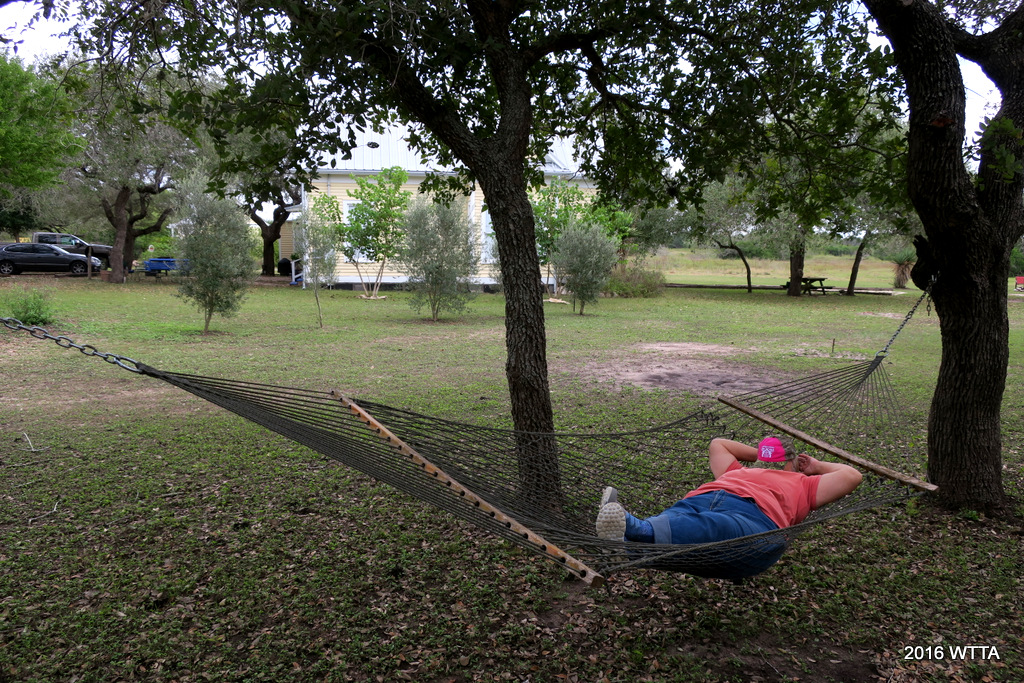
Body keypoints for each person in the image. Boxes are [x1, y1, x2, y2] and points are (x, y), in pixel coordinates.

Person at [595, 436, 863, 578]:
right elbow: (718, 443)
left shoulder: (804, 484)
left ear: (794, 463)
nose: (770, 465)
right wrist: (760, 453)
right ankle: (626, 550)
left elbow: (851, 476)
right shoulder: (735, 469)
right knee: (678, 516)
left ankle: (634, 528)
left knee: (715, 527)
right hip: (701, 500)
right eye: (765, 460)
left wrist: (815, 466)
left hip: (755, 520)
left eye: (778, 461)